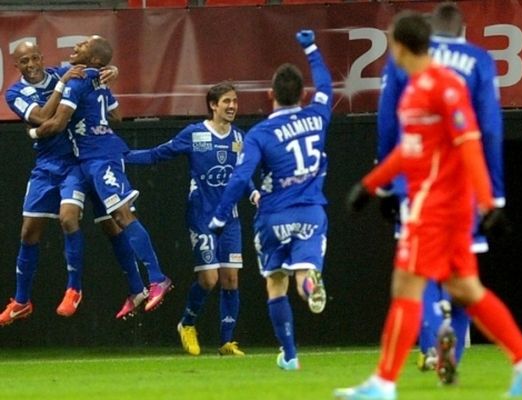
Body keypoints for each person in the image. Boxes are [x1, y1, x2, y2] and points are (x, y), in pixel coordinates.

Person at [337, 11, 522, 399]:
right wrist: (370, 186)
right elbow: (411, 149)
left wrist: (488, 205)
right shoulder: (424, 87)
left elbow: (469, 144)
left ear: (400, 45)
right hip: (443, 205)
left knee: (406, 285)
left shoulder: (440, 87)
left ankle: (383, 384)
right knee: (466, 289)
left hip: (437, 207)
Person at [376, 1, 505, 383]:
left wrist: (385, 184)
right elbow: (491, 128)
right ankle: (455, 357)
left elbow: (387, 122)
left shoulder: (408, 59)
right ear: (463, 30)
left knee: (420, 273)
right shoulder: (479, 60)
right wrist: (494, 195)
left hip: (416, 182)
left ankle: (433, 343)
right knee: (463, 273)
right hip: (464, 186)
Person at [208, 29, 330, 370]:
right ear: (302, 94)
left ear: (270, 94)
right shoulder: (317, 116)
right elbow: (326, 87)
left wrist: (219, 217)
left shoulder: (261, 133)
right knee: (303, 272)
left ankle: (290, 356)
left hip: (273, 215)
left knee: (275, 283)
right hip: (310, 212)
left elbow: (241, 177)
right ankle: (309, 283)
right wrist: (312, 48)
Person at [0, 41, 144, 325]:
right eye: (24, 61)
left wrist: (110, 70)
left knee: (107, 222)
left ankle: (110, 288)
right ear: (15, 66)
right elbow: (43, 117)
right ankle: (21, 301)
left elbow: (96, 68)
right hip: (46, 166)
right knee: (29, 232)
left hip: (80, 162)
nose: (30, 65)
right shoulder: (15, 92)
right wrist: (61, 86)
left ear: (42, 59)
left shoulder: (63, 71)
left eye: (34, 59)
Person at [28, 35, 173, 314]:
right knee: (96, 220)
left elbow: (57, 123)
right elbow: (116, 117)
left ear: (93, 59)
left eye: (82, 45)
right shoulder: (97, 78)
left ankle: (157, 278)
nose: (75, 47)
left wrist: (33, 132)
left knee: (122, 215)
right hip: (88, 160)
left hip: (101, 158)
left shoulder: (79, 80)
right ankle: (135, 288)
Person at [126, 83, 259, 356]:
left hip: (230, 218)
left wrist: (255, 193)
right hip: (201, 216)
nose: (232, 106)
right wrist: (121, 157)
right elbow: (158, 154)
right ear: (213, 105)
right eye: (226, 101)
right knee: (209, 279)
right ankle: (186, 324)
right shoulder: (194, 134)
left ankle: (226, 342)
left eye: (235, 101)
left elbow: (243, 175)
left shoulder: (240, 138)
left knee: (231, 279)